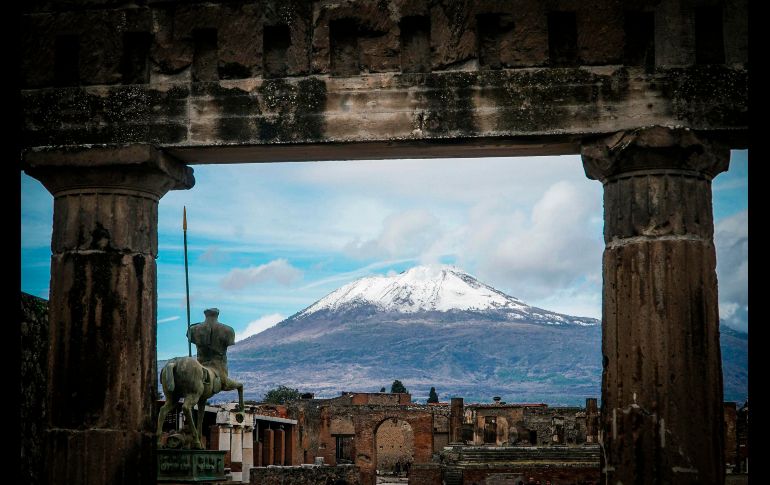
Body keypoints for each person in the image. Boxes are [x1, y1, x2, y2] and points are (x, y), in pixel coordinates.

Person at [187, 308, 243, 410]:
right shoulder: (227, 330)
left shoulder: (193, 329)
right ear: (217, 315)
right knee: (230, 384)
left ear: (205, 315)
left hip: (199, 363)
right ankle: (241, 408)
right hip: (217, 366)